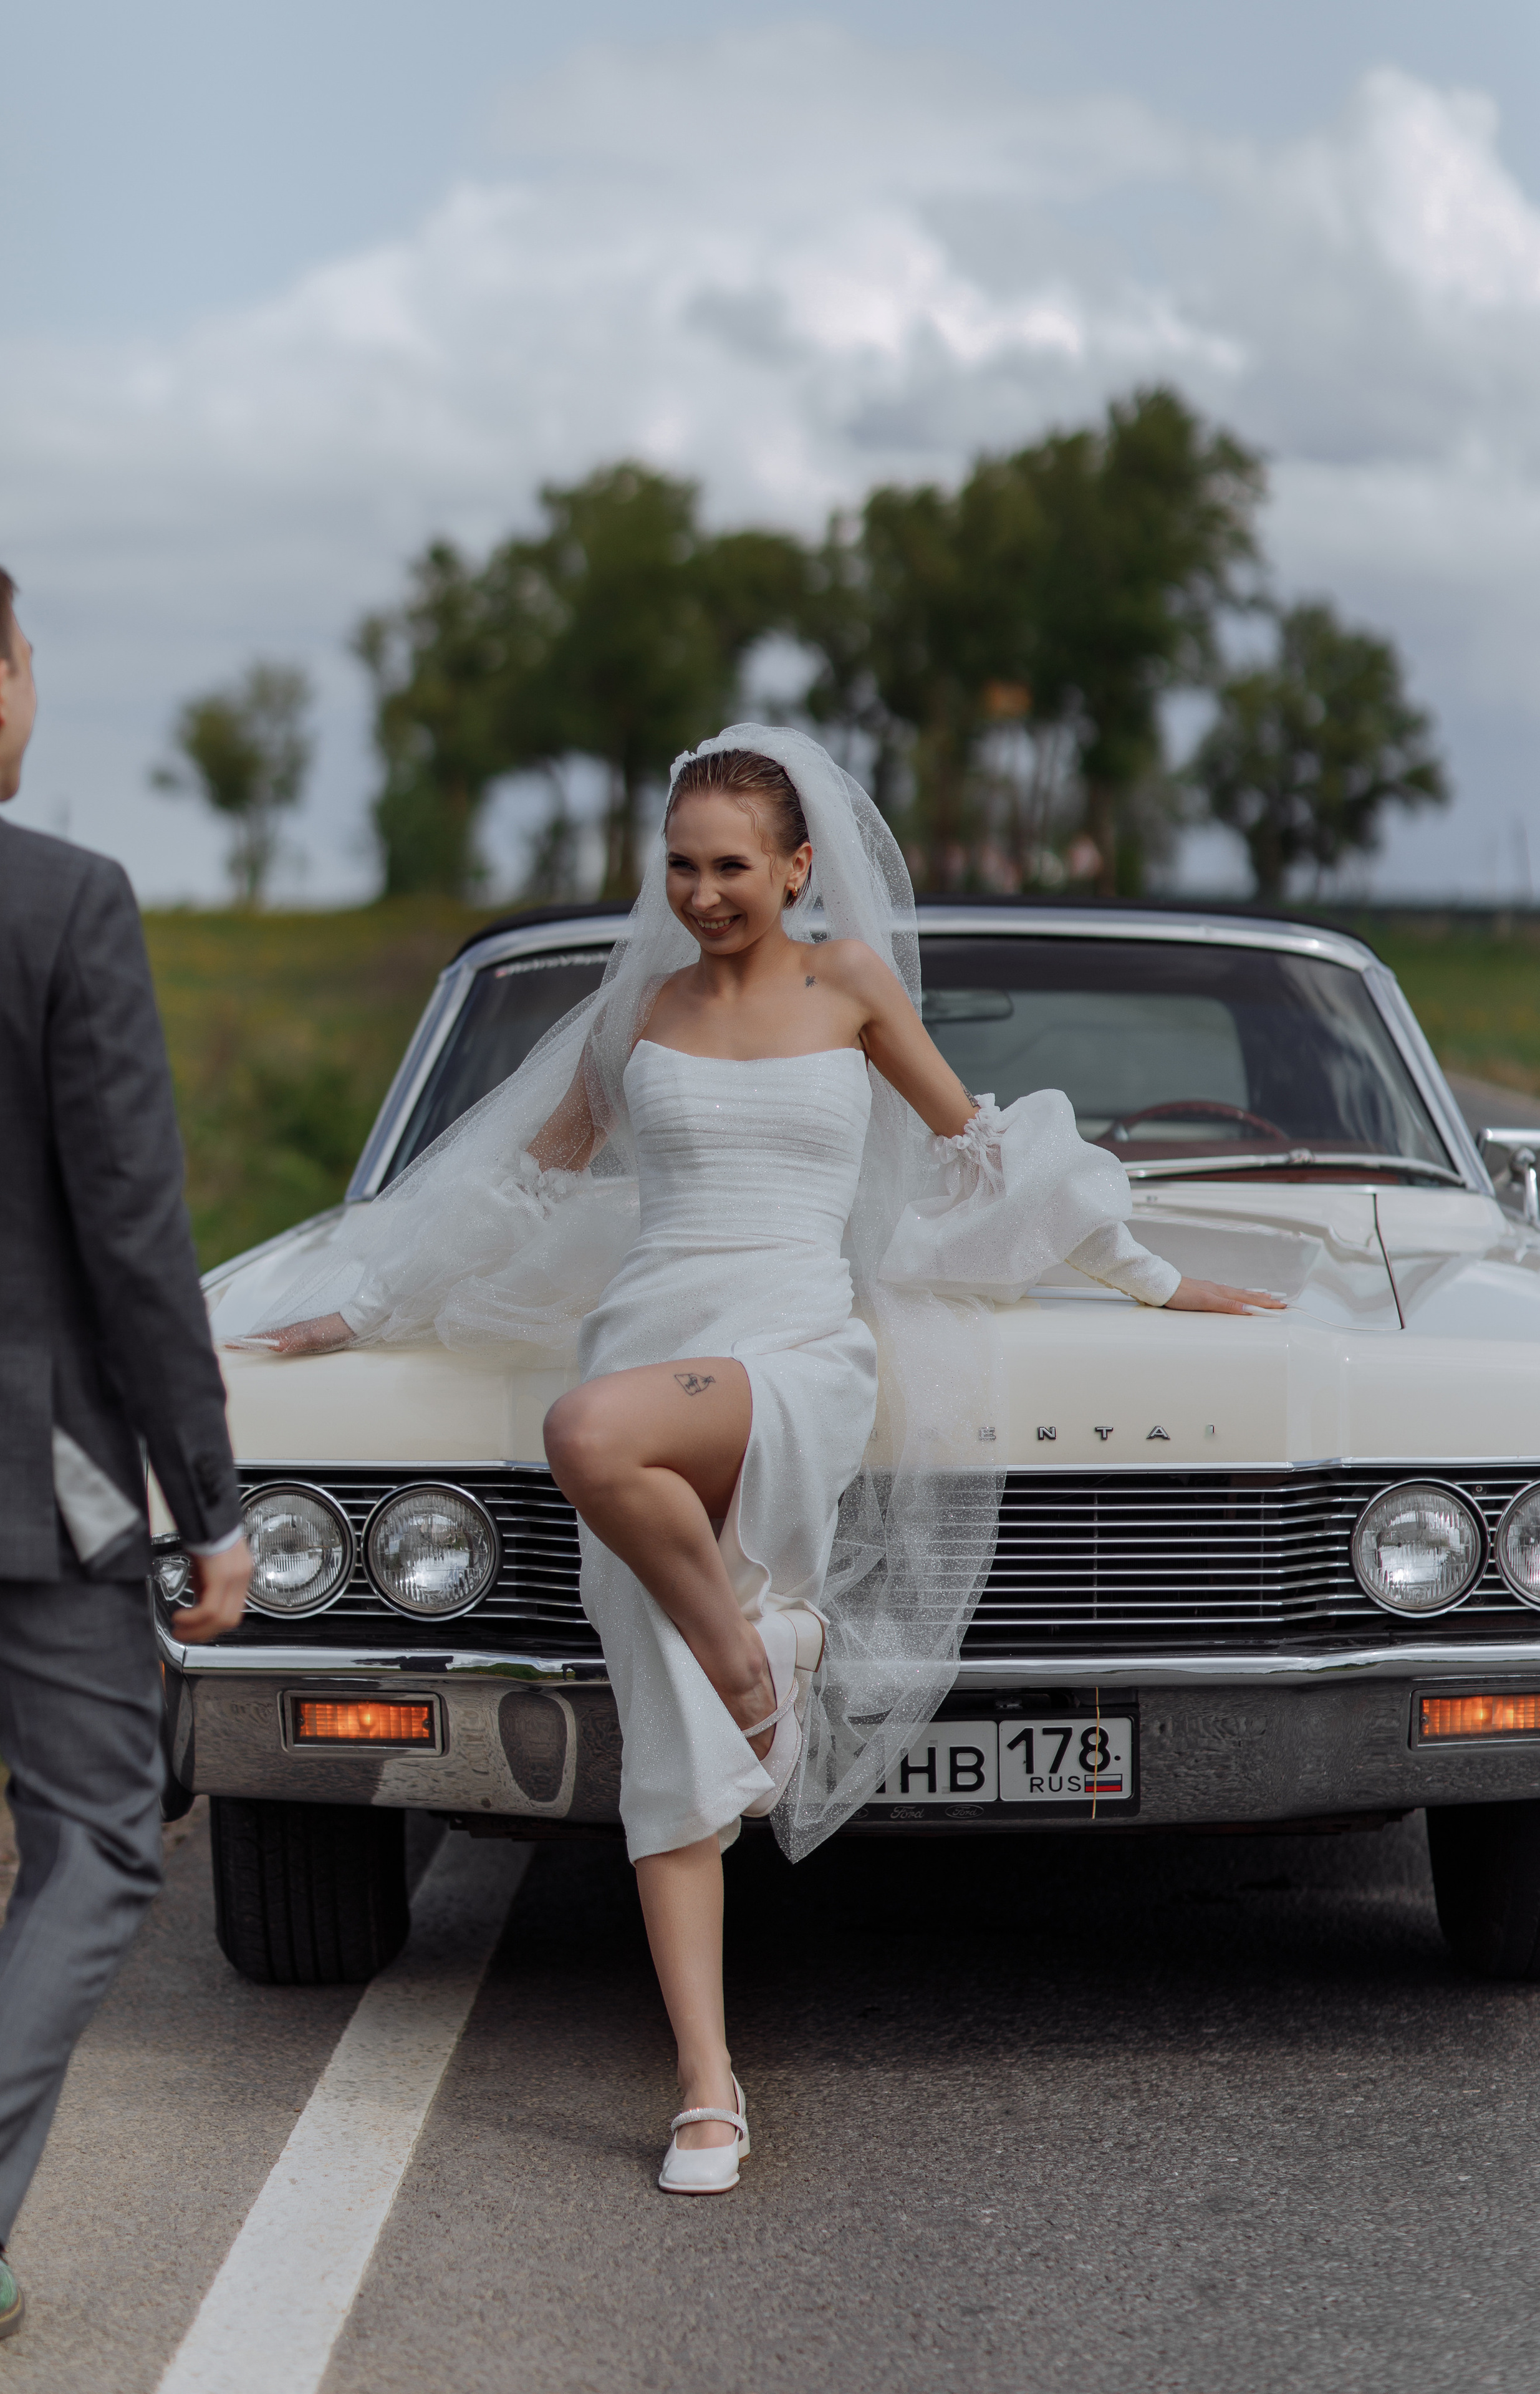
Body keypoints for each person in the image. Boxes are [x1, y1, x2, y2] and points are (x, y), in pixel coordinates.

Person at [243, 724, 1281, 2198]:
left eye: (733, 866)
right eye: (680, 865)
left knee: (585, 1434)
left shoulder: (849, 985)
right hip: (649, 1332)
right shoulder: (640, 1015)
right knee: (668, 1760)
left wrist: (1154, 1280)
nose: (703, 891)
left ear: (799, 868)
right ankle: (706, 2088)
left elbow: (979, 1150)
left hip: (792, 1351)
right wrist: (360, 1308)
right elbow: (525, 1181)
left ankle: (750, 1655)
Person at [0, 546, 252, 2390]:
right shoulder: (61, 900)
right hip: (19, 1464)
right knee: (99, 1835)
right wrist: (207, 1503)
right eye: (35, 663)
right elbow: (133, 1239)